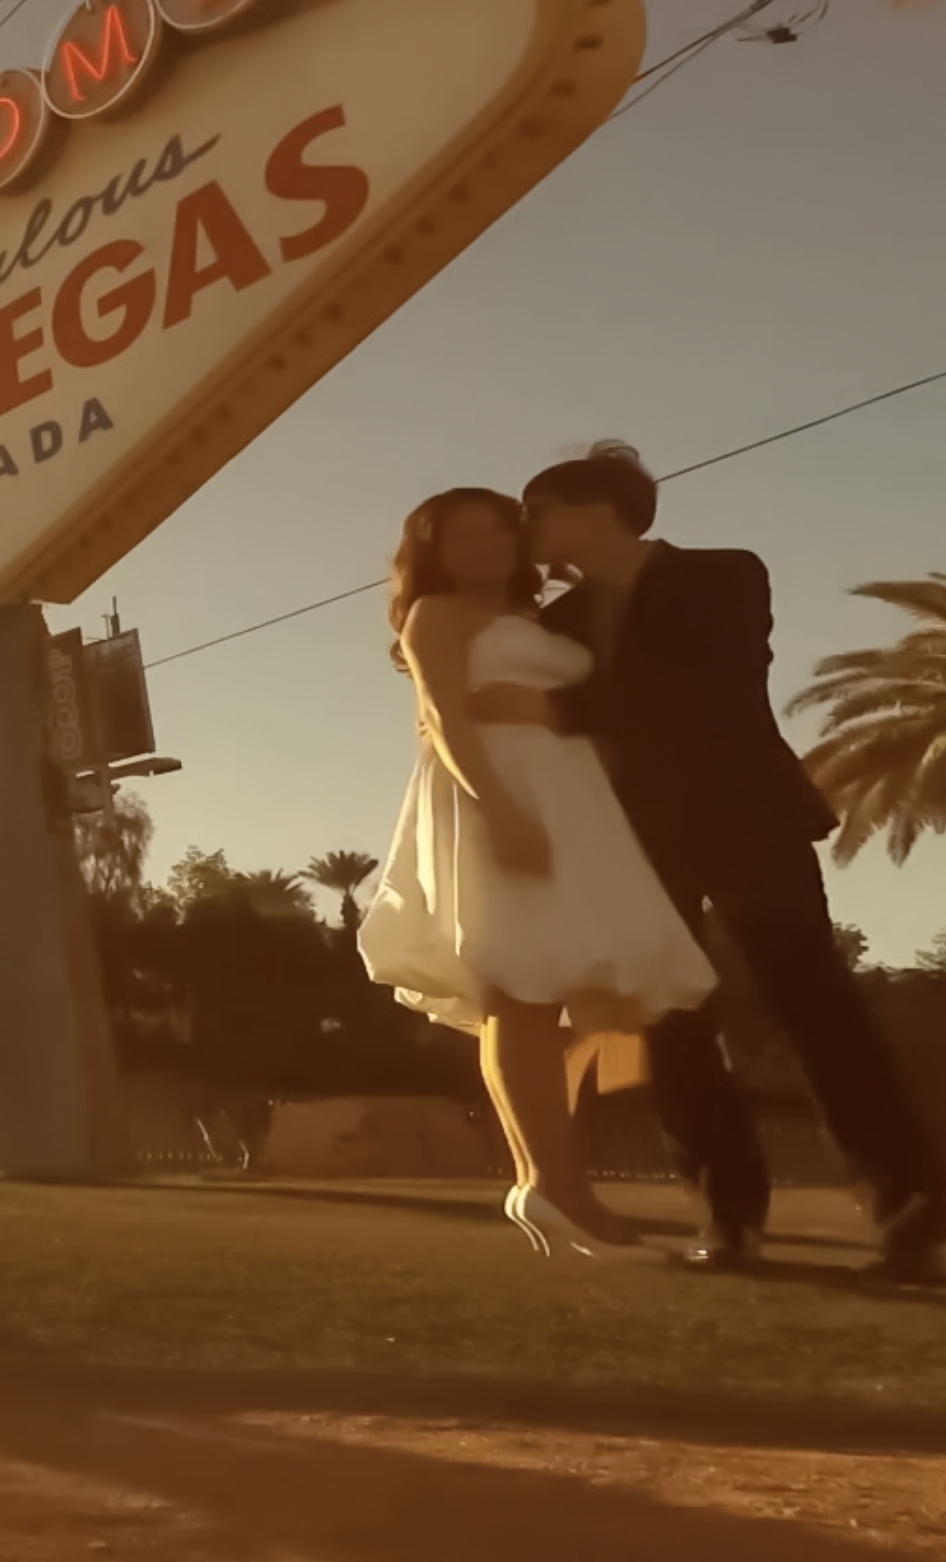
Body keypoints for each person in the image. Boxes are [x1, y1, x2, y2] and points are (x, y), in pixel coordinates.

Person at [481, 444, 941, 1282]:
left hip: (744, 819)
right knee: (670, 1026)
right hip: (631, 838)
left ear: (595, 507)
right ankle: (729, 1219)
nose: (527, 529)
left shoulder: (727, 574)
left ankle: (910, 1213)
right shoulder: (559, 624)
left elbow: (712, 683)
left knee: (815, 1005)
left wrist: (582, 711)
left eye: (537, 509)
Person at [358, 486, 715, 1259]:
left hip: (574, 798)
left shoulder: (541, 617)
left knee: (560, 990)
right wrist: (501, 808)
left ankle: (551, 1182)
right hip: (500, 794)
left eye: (498, 531)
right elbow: (445, 714)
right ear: (433, 552)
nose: (486, 546)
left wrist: (559, 722)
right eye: (463, 536)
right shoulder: (438, 615)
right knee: (516, 989)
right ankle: (553, 1185)